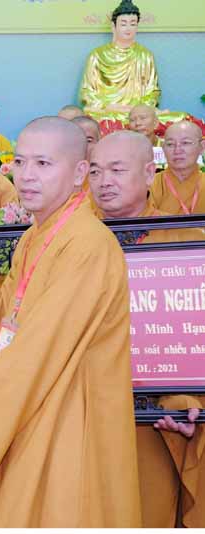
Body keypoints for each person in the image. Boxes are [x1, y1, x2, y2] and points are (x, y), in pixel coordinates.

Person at [0, 117, 141, 527]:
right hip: (31, 404)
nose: (26, 176)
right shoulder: (36, 235)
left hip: (67, 415)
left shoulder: (88, 244)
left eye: (43, 163)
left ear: (79, 172)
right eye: (20, 162)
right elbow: (12, 315)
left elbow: (40, 345)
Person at [89, 130, 205, 527]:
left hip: (157, 417)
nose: (104, 181)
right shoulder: (71, 240)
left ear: (148, 172)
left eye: (117, 170)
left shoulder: (187, 241)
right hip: (84, 409)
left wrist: (193, 404)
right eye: (95, 171)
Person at [79, 0, 186, 123]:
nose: (128, 28)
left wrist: (139, 108)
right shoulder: (97, 55)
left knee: (181, 117)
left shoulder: (145, 55)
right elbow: (86, 92)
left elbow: (153, 91)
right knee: (91, 118)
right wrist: (107, 106)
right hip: (108, 111)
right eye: (123, 24)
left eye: (133, 24)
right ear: (113, 26)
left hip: (138, 113)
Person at [150, 121, 205, 215]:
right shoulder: (150, 184)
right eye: (170, 144)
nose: (177, 150)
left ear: (202, 147)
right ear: (163, 148)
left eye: (185, 143)